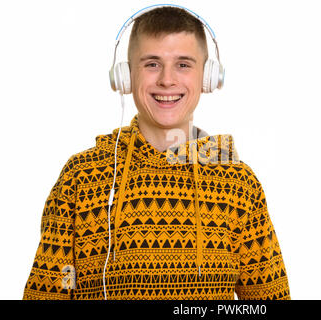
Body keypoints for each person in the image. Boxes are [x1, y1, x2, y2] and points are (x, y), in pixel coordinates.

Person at [22, 5, 290, 300]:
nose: (166, 80)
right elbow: (53, 289)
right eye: (152, 64)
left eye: (183, 64)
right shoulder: (81, 177)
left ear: (208, 78)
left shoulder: (239, 184)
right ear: (125, 77)